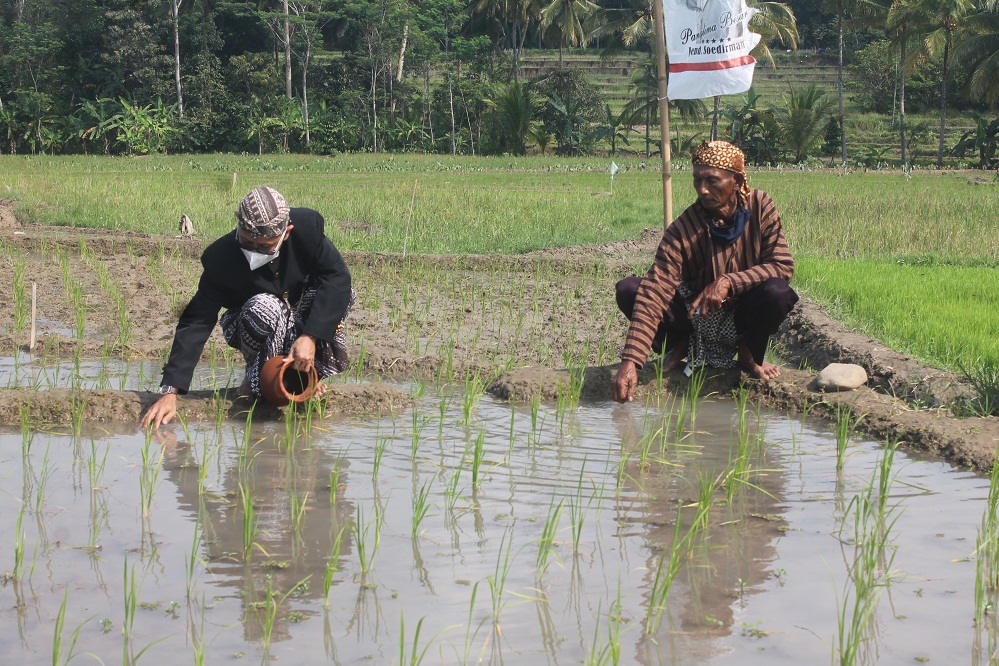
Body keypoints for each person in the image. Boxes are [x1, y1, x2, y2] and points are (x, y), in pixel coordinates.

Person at [142, 187, 355, 427]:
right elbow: (197, 321)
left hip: (296, 317)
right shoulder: (221, 258)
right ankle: (260, 381)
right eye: (246, 242)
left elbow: (337, 278)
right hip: (249, 321)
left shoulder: (307, 231)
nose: (254, 251)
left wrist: (310, 336)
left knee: (339, 294)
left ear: (287, 233)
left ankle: (306, 376)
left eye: (264, 247)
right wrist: (171, 391)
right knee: (266, 305)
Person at [612, 140, 798, 403]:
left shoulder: (760, 206)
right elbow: (656, 288)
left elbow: (782, 265)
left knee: (778, 292)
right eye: (697, 180)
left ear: (736, 180)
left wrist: (729, 282)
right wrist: (631, 361)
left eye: (712, 180)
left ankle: (748, 353)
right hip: (697, 313)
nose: (702, 189)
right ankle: (678, 345)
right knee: (630, 289)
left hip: (744, 310)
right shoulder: (685, 227)